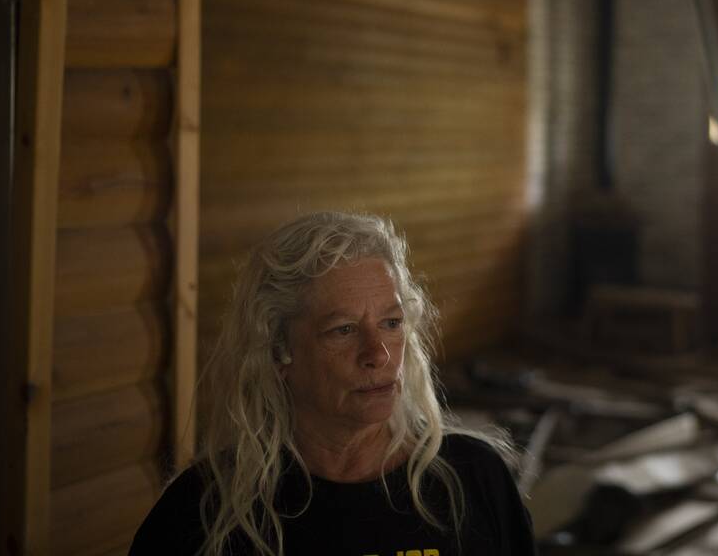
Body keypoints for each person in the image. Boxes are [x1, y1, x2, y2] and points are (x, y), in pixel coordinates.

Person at [129, 211, 536, 556]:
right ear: (278, 351)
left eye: (391, 324)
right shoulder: (202, 512)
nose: (378, 353)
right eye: (343, 330)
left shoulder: (474, 481)